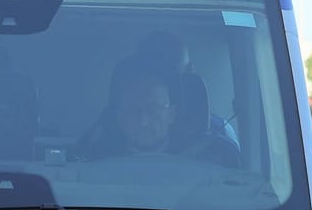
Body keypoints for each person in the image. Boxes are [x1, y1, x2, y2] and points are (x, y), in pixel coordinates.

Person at [77, 60, 239, 165]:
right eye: (133, 111)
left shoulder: (210, 161)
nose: (143, 122)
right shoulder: (94, 160)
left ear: (172, 115)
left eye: (153, 109)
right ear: (120, 118)